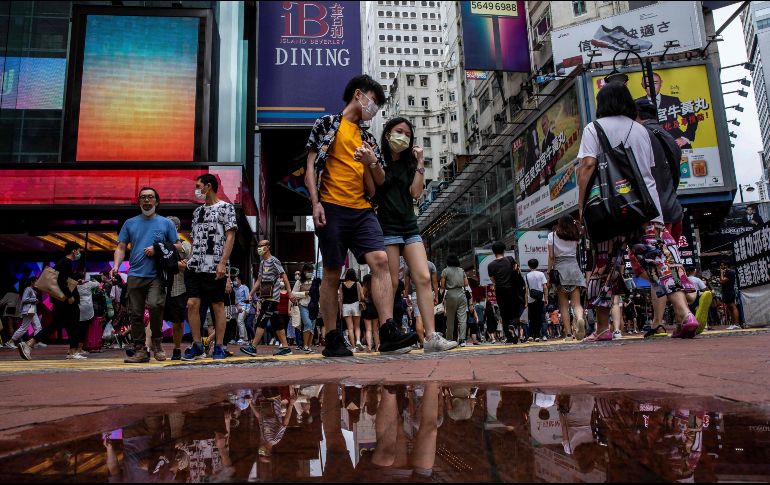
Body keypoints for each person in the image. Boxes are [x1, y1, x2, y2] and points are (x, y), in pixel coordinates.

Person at [304, 74, 415, 357]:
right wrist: (315, 203)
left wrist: (371, 162)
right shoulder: (326, 125)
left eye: (377, 104)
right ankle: (332, 336)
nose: (373, 107)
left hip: (363, 210)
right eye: (373, 101)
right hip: (331, 206)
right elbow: (310, 169)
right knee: (332, 271)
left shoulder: (366, 137)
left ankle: (388, 329)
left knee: (379, 261)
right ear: (358, 95)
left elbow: (378, 181)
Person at [577, 81, 697, 342]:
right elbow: (648, 170)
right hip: (645, 208)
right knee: (658, 260)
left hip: (609, 210)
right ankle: (685, 314)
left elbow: (587, 165)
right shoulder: (641, 130)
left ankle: (601, 329)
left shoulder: (593, 128)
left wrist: (581, 205)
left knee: (603, 266)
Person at [374, 117, 457, 353]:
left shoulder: (410, 163)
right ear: (388, 133)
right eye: (399, 131)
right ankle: (388, 334)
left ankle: (431, 336)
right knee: (391, 282)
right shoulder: (377, 159)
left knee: (422, 277)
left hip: (409, 227)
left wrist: (421, 161)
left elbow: (416, 193)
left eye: (408, 134)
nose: (403, 137)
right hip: (387, 228)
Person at [111, 187, 178, 363]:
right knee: (135, 314)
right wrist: (116, 266)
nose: (147, 200)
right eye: (143, 197)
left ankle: (157, 342)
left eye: (150, 197)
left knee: (156, 306)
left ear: (156, 201)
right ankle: (140, 350)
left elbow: (177, 246)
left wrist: (157, 248)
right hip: (134, 274)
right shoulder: (130, 223)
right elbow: (121, 247)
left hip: (156, 275)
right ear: (139, 201)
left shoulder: (166, 223)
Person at [181, 175, 238, 360]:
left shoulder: (226, 208)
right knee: (192, 304)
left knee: (217, 305)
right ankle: (197, 344)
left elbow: (230, 236)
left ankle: (219, 346)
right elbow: (195, 238)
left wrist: (222, 263)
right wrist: (189, 260)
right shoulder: (197, 212)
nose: (196, 190)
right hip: (195, 266)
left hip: (214, 266)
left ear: (208, 186)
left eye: (198, 186)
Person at [19, 242, 83, 361]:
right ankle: (72, 352)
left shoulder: (62, 262)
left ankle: (29, 344)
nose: (79, 253)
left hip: (60, 301)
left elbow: (63, 279)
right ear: (74, 251)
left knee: (57, 324)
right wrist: (69, 296)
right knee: (73, 323)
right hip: (65, 301)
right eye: (78, 250)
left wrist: (75, 282)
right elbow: (61, 281)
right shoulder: (66, 262)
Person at [240, 240, 295, 357]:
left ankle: (253, 347)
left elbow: (284, 275)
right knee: (277, 323)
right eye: (258, 246)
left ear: (268, 247)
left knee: (261, 320)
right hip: (265, 297)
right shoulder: (262, 263)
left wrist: (290, 293)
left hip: (272, 297)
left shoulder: (274, 261)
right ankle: (285, 348)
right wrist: (250, 294)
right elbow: (259, 280)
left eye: (262, 246)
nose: (259, 248)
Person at [547, 216, 587, 341]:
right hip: (574, 268)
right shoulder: (575, 236)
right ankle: (580, 318)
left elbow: (551, 256)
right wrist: (578, 224)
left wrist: (549, 272)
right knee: (577, 303)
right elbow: (582, 232)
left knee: (563, 305)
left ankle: (569, 334)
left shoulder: (552, 236)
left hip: (560, 269)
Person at [635, 72, 697, 148]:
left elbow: (693, 118)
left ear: (661, 83)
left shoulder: (673, 101)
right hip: (651, 146)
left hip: (675, 144)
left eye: (655, 83)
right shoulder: (636, 104)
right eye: (648, 84)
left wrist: (685, 138)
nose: (652, 87)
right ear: (643, 85)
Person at [163, 216, 192, 361]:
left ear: (176, 228)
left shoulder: (185, 245)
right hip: (160, 286)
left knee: (177, 321)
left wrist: (170, 261)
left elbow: (187, 266)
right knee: (153, 318)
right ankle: (147, 348)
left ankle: (177, 348)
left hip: (178, 288)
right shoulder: (158, 244)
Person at [487, 241, 526, 344]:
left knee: (504, 314)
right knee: (514, 312)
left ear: (493, 252)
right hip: (512, 289)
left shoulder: (490, 265)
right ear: (504, 250)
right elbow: (517, 272)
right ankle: (513, 325)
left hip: (500, 290)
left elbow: (493, 281)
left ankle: (508, 337)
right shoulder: (510, 260)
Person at [440, 254, 469, 343]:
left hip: (450, 294)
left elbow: (442, 285)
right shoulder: (461, 270)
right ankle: (462, 339)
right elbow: (466, 283)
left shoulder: (445, 271)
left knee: (450, 319)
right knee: (462, 318)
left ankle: (449, 339)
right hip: (461, 293)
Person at [10, 276, 42, 348]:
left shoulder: (33, 290)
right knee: (24, 328)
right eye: (36, 281)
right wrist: (34, 300)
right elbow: (24, 299)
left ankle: (35, 342)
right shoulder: (28, 289)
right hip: (28, 311)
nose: (37, 283)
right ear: (32, 282)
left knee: (38, 327)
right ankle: (11, 341)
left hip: (33, 311)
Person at [339, 269, 364, 351]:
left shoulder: (342, 285)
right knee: (357, 326)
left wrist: (340, 310)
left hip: (346, 306)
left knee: (350, 328)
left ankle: (353, 347)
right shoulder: (357, 284)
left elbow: (341, 298)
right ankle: (358, 341)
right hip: (356, 305)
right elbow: (362, 296)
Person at [292, 264, 315, 353]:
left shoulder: (315, 281)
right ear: (304, 271)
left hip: (314, 306)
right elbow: (293, 293)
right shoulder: (299, 282)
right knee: (308, 324)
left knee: (312, 327)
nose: (309, 273)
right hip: (303, 305)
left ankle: (309, 346)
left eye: (311, 271)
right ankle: (305, 345)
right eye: (308, 271)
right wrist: (304, 293)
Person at [524, 259, 548, 342]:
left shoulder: (526, 276)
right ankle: (537, 336)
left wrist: (526, 302)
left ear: (529, 266)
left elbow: (526, 290)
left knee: (531, 318)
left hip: (531, 299)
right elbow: (545, 287)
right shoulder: (541, 274)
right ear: (537, 265)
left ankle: (530, 335)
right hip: (540, 298)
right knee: (539, 317)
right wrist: (546, 298)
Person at [361, 274, 379, 352]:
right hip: (374, 309)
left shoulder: (364, 288)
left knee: (368, 329)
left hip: (367, 309)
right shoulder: (375, 287)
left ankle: (369, 347)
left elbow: (361, 298)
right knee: (375, 330)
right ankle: (377, 348)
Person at [720, 261, 741, 329]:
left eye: (722, 265)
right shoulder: (726, 273)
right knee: (729, 308)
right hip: (726, 291)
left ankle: (736, 324)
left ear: (726, 266)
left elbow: (722, 280)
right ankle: (732, 323)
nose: (721, 267)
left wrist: (721, 273)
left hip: (729, 291)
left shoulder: (730, 272)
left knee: (732, 306)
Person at [231, 275, 250, 345]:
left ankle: (242, 338)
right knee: (240, 323)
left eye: (236, 280)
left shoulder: (245, 288)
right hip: (235, 308)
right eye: (234, 280)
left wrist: (247, 309)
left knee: (240, 321)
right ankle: (246, 339)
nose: (234, 281)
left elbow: (248, 298)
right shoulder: (234, 289)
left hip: (243, 307)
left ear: (239, 280)